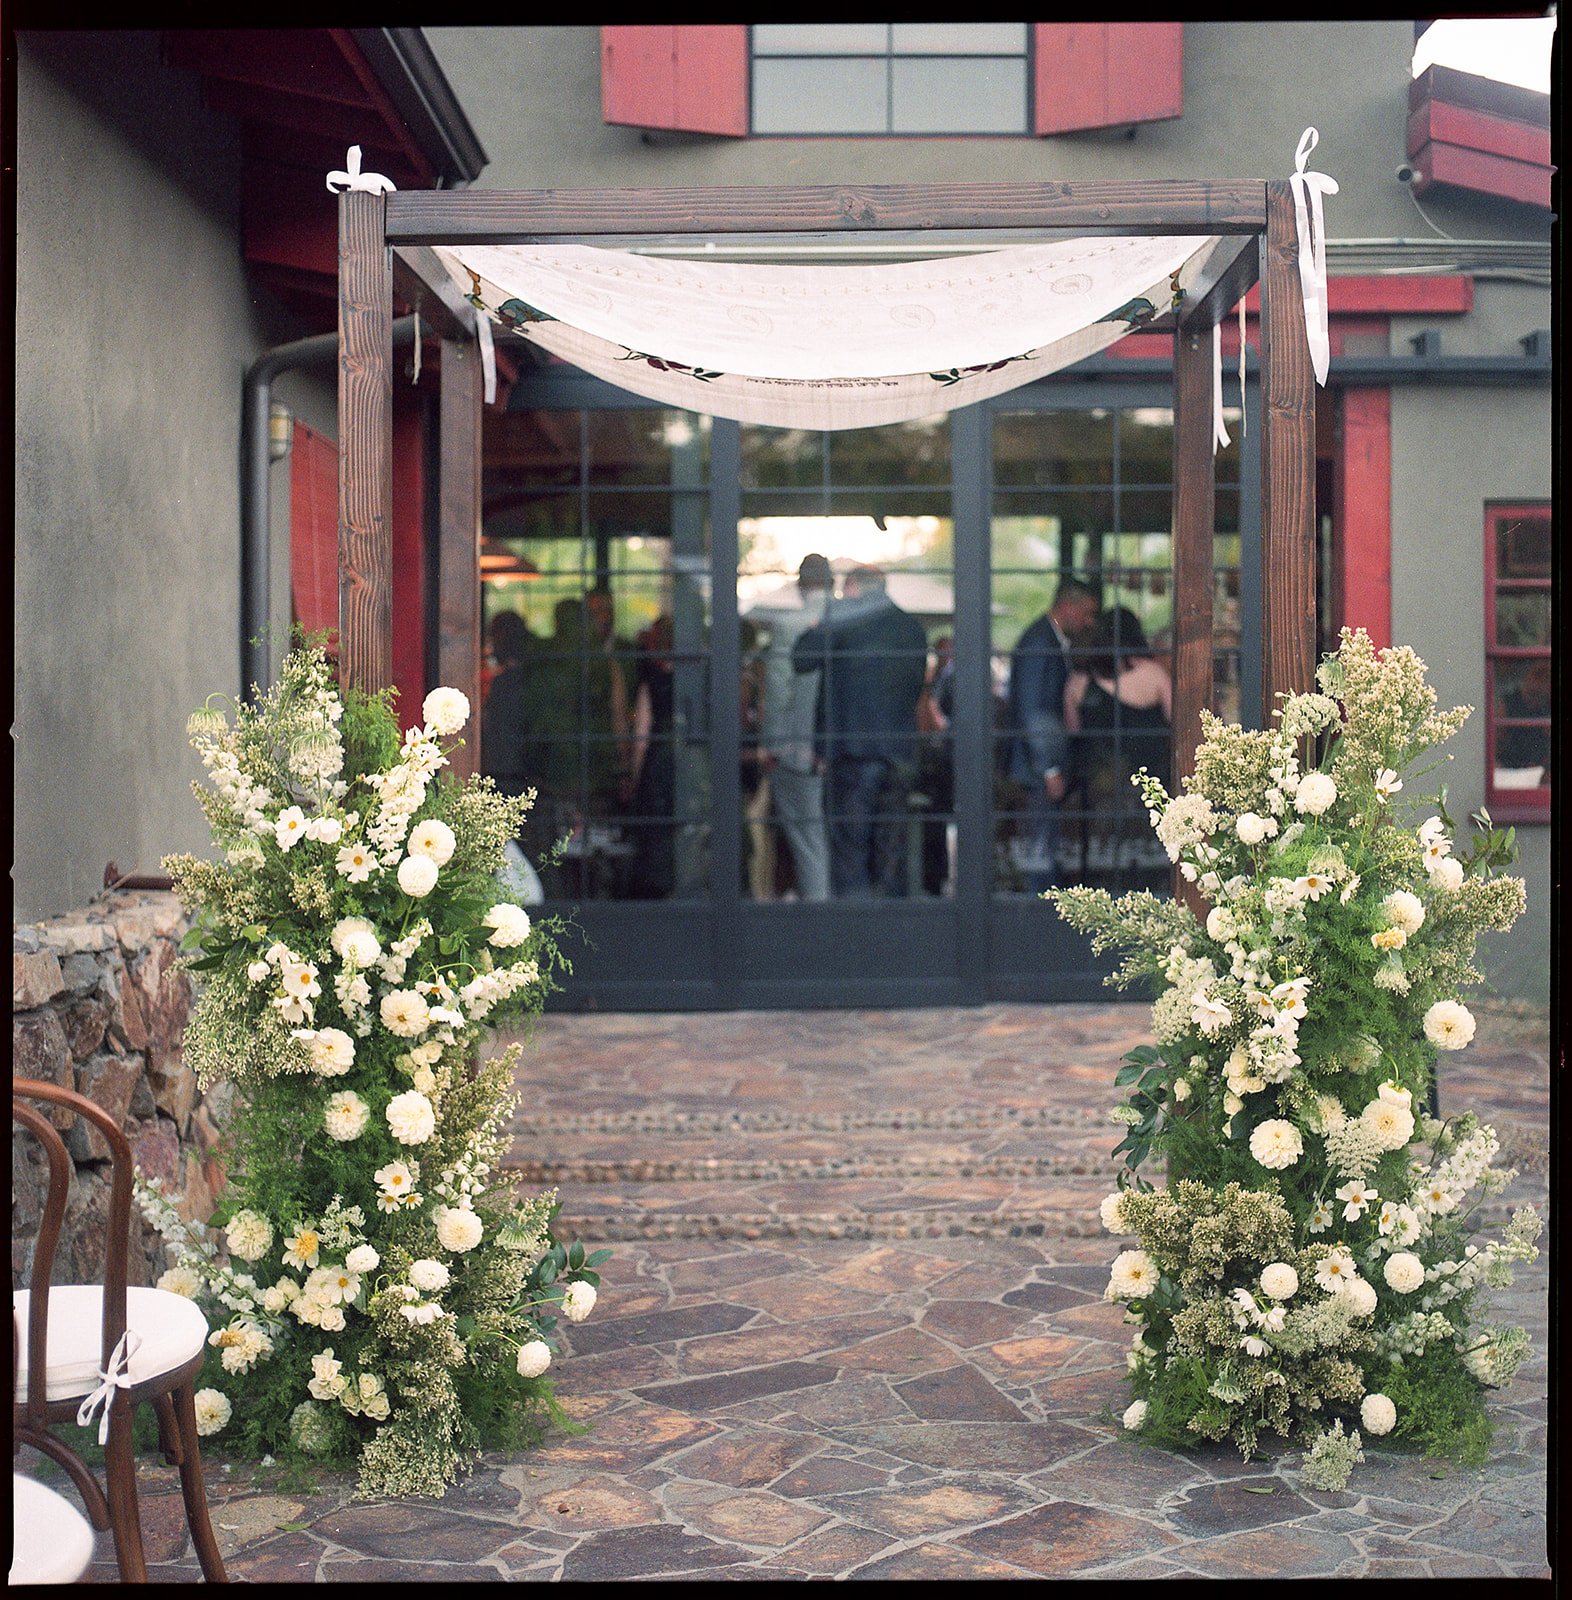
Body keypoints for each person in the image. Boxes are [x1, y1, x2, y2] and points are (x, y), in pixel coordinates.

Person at [793, 564, 929, 898]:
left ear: (853, 588)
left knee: (850, 853)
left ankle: (855, 939)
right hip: (899, 754)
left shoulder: (844, 621)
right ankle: (893, 935)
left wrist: (820, 623)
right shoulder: (911, 628)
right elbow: (915, 689)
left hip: (851, 754)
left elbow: (800, 657)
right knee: (890, 854)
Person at [1005, 576, 1101, 893]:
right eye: (1087, 613)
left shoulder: (1047, 640)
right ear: (1067, 606)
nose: (1090, 622)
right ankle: (1041, 913)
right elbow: (1035, 711)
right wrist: (1050, 769)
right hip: (1039, 767)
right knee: (1041, 849)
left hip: (1042, 764)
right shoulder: (1039, 643)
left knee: (1045, 843)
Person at [1065, 606, 1172, 878]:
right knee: (1152, 860)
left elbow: (1074, 731)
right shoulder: (1155, 675)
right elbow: (1177, 722)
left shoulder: (1078, 683)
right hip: (1153, 783)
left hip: (1098, 789)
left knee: (1103, 861)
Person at [754, 553, 833, 901]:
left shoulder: (788, 626)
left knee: (807, 840)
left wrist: (772, 746)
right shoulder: (850, 623)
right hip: (843, 752)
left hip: (798, 753)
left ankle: (819, 919)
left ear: (801, 584)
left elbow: (778, 691)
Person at [625, 613, 677, 898]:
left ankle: (657, 888)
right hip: (689, 762)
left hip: (658, 762)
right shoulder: (700, 678)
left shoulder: (652, 681)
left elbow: (641, 735)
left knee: (655, 832)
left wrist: (635, 775)